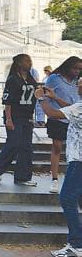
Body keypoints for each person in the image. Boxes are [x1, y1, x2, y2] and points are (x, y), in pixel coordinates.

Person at [35, 82, 82, 257]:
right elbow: (71, 108)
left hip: (79, 160)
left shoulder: (79, 107)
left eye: (81, 84)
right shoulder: (78, 107)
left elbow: (53, 114)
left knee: (67, 198)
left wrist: (41, 98)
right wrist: (54, 97)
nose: (78, 86)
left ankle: (76, 245)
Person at [0, 54, 38, 186]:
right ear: (19, 63)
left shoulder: (31, 79)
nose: (30, 63)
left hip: (27, 116)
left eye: (30, 61)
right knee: (14, 143)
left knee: (26, 147)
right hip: (15, 116)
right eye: (26, 61)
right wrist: (8, 119)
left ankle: (22, 177)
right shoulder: (13, 79)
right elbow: (8, 101)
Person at [43, 57, 82, 194]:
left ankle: (71, 179)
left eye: (79, 69)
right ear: (68, 67)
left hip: (74, 117)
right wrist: (41, 114)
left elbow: (73, 106)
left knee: (72, 150)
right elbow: (44, 95)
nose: (77, 71)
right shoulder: (55, 78)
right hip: (58, 116)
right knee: (57, 147)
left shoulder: (77, 82)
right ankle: (54, 179)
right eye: (75, 68)